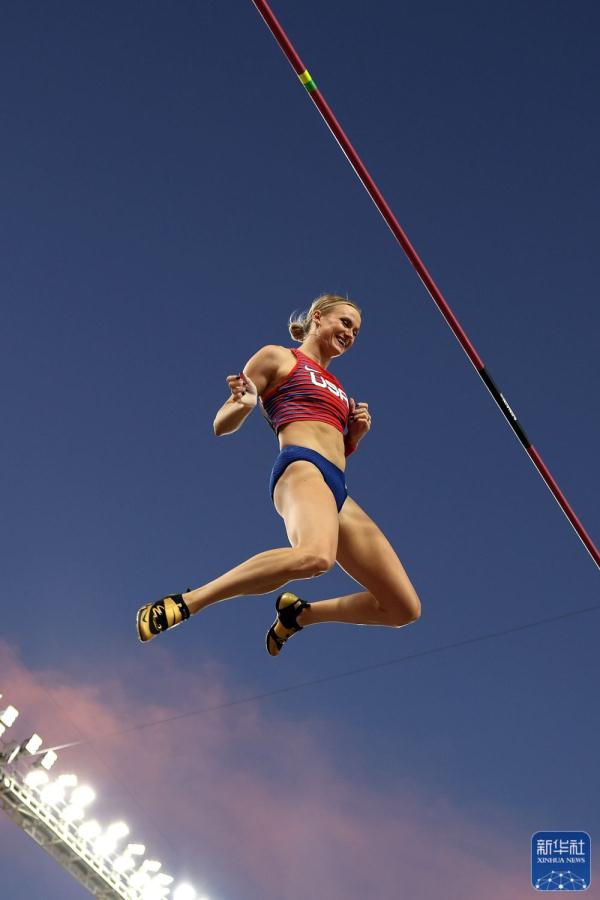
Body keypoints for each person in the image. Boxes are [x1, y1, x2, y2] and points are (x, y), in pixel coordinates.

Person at [136, 293, 421, 655]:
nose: (350, 334)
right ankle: (188, 601)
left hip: (337, 487)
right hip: (301, 468)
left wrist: (354, 438)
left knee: (402, 608)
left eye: (356, 331)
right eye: (345, 323)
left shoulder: (340, 389)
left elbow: (335, 446)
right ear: (318, 318)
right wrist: (243, 404)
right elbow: (221, 424)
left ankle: (298, 616)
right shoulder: (279, 356)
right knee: (316, 557)